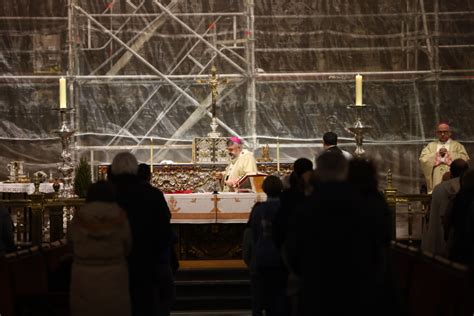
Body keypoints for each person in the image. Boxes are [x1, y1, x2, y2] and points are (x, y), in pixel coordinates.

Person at [109, 152, 172, 316]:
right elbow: (164, 223)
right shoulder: (152, 193)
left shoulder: (111, 195)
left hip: (118, 261)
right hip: (150, 259)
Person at [69, 181, 132, 316]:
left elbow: (70, 243)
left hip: (84, 274)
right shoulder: (119, 215)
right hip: (114, 273)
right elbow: (128, 245)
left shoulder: (80, 216)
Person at [251, 175, 288, 316]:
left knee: (260, 294)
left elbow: (254, 232)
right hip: (281, 256)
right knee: (279, 294)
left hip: (263, 254)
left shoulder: (259, 209)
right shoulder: (284, 207)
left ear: (264, 189)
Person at [421, 159, 469, 256]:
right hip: (464, 240)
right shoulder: (467, 188)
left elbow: (434, 214)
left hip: (440, 240)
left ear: (451, 171)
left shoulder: (439, 189)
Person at [419, 123, 469, 193]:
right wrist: (436, 155)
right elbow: (423, 159)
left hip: (451, 173)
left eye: (445, 132)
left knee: (452, 193)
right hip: (436, 174)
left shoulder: (457, 146)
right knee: (438, 193)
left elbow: (464, 159)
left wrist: (449, 155)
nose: (442, 134)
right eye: (440, 132)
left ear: (450, 133)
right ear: (436, 133)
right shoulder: (431, 146)